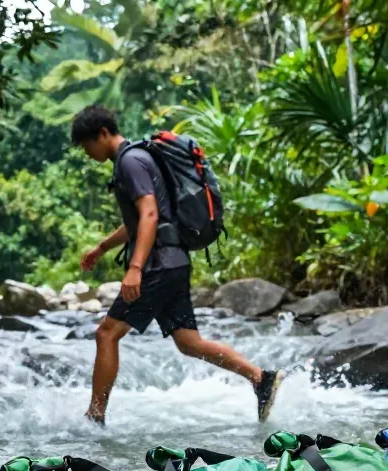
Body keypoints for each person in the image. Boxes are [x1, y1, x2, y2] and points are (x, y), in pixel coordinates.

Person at [71, 105, 284, 425]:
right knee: (188, 342)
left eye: (87, 145)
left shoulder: (130, 161)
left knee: (106, 334)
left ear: (102, 134)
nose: (87, 153)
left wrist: (135, 269)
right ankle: (260, 378)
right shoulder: (138, 158)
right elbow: (138, 221)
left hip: (158, 265)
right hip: (174, 262)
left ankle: (95, 417)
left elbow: (150, 215)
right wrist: (102, 248)